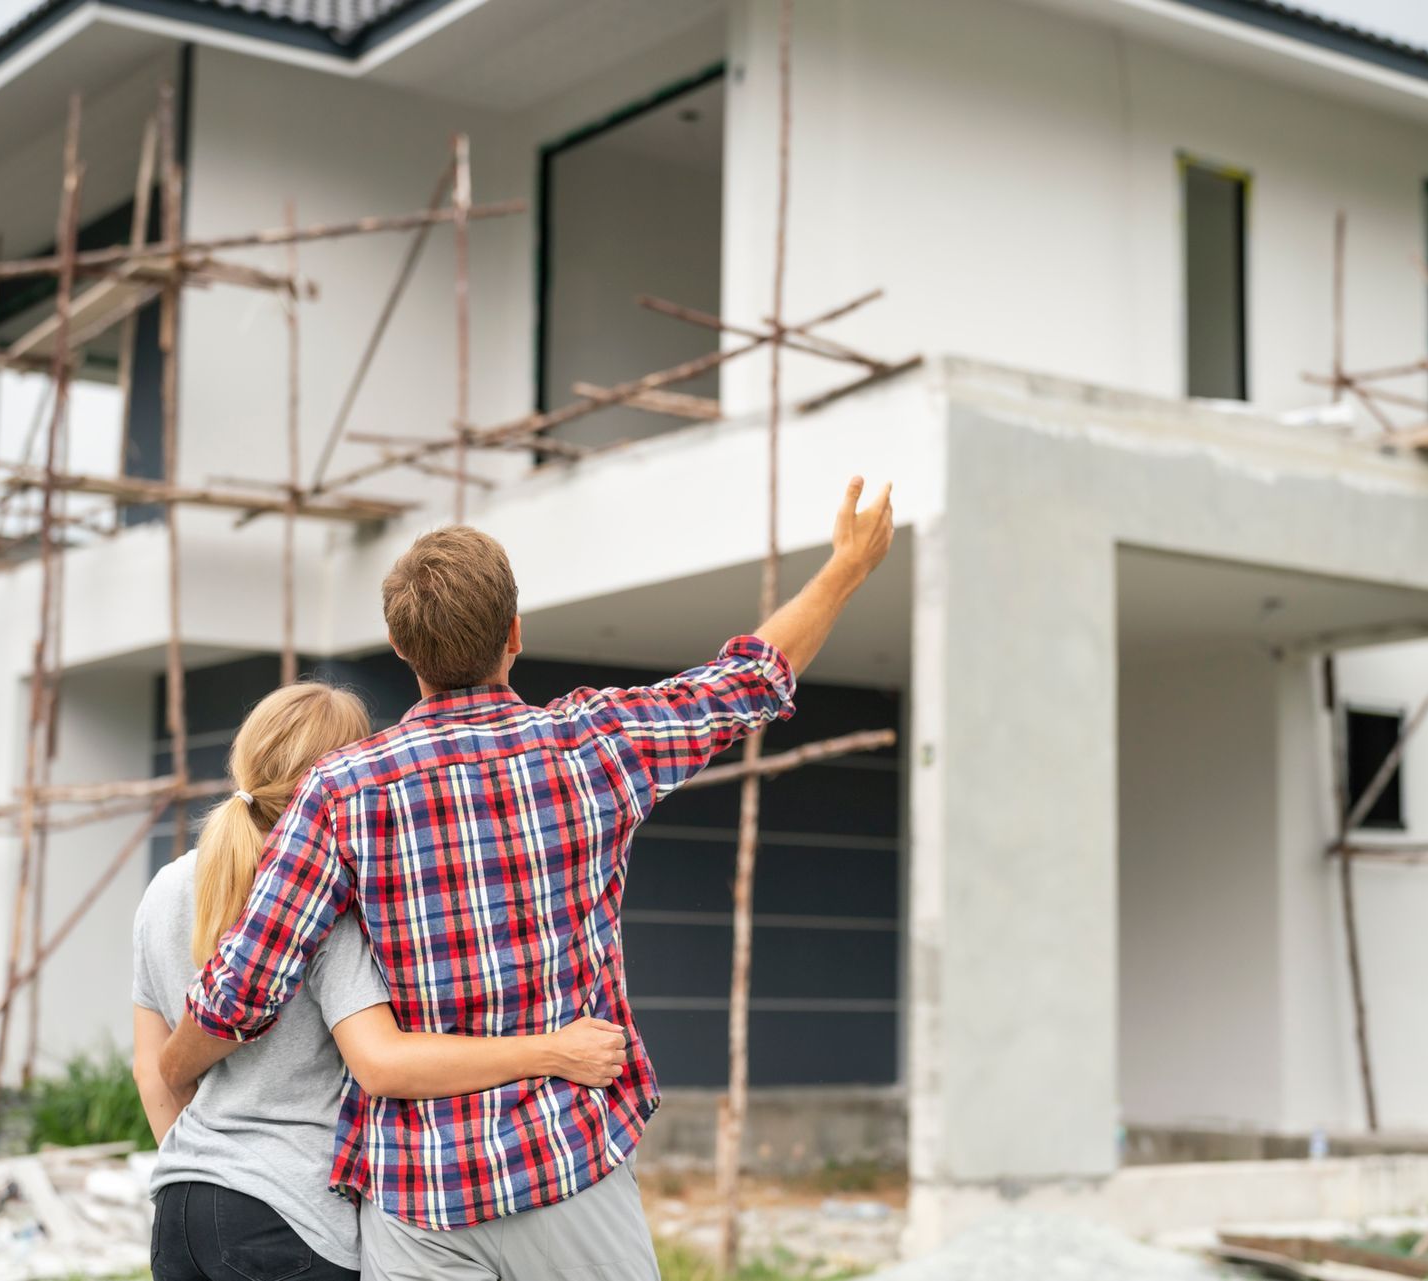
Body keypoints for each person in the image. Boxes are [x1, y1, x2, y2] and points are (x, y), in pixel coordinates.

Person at [162, 476, 896, 1280]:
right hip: (567, 1164)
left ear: (404, 652)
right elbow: (751, 677)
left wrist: (171, 1068)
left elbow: (245, 988)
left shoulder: (342, 790)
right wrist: (847, 568)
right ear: (515, 631)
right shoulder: (591, 746)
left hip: (421, 1197)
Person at [132, 681, 632, 1281]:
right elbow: (382, 1063)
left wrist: (206, 1173)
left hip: (180, 1209)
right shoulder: (321, 898)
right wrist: (552, 1050)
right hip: (292, 1218)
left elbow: (151, 1065)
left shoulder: (164, 890)